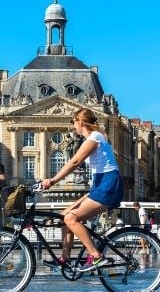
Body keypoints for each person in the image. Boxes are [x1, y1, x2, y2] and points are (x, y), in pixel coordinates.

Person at [40, 107, 124, 272]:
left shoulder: (95, 137)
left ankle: (96, 255)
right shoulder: (94, 137)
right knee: (65, 215)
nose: (73, 126)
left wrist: (53, 180)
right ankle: (64, 259)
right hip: (100, 184)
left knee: (72, 219)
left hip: (108, 184)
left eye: (73, 122)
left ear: (81, 121)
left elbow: (75, 161)